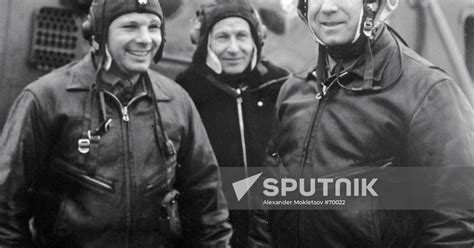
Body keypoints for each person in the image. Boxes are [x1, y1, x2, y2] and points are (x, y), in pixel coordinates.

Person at [0, 0, 232, 247]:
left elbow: (207, 201)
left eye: (153, 27)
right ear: (99, 33)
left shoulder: (176, 101)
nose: (145, 39)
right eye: (130, 26)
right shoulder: (45, 98)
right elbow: (6, 208)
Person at [250, 0, 474, 247]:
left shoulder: (427, 93)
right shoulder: (293, 91)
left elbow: (454, 228)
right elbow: (268, 201)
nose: (327, 8)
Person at [175, 0, 289, 247]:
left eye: (241, 36)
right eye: (222, 37)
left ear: (256, 40)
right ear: (205, 42)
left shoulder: (281, 86)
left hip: (272, 231)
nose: (234, 48)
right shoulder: (185, 91)